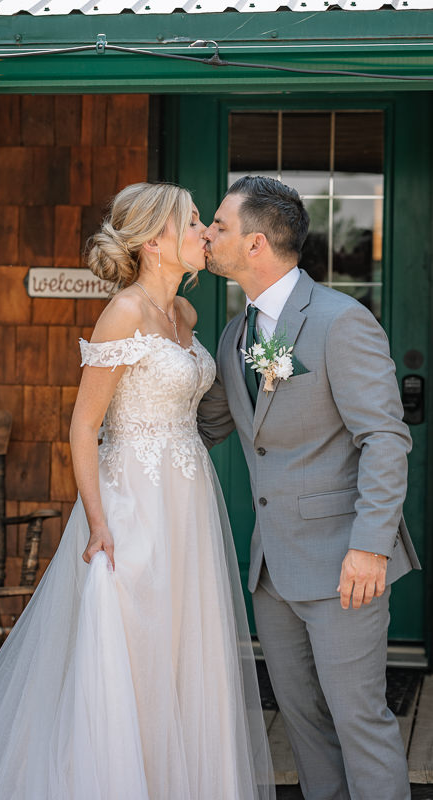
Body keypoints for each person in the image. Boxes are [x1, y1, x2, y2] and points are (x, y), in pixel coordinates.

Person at [0, 182, 274, 800]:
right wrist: (99, 523)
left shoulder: (186, 314)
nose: (205, 233)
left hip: (188, 501)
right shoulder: (122, 313)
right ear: (155, 241)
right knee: (132, 646)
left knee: (183, 648)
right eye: (192, 223)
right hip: (133, 502)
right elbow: (84, 426)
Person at [197, 175, 421, 800]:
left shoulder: (340, 322)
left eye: (218, 225)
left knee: (360, 723)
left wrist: (371, 545)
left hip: (344, 563)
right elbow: (208, 425)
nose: (207, 235)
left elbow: (385, 438)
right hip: (271, 569)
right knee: (304, 724)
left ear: (257, 244)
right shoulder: (235, 333)